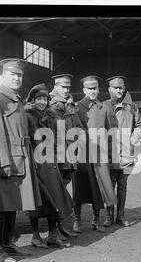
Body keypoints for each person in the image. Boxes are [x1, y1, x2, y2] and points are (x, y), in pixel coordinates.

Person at [0, 58, 42, 262]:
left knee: (13, 206)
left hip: (20, 159)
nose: (17, 78)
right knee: (2, 208)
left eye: (19, 75)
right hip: (8, 162)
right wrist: (3, 163)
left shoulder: (15, 99)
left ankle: (7, 244)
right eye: (12, 75)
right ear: (3, 76)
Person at [25, 83, 74, 248]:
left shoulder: (51, 116)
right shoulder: (27, 117)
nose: (42, 102)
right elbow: (26, 142)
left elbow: (56, 141)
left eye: (45, 99)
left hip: (51, 164)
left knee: (56, 198)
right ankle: (35, 235)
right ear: (32, 100)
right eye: (39, 99)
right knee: (36, 202)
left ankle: (53, 234)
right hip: (36, 165)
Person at [73, 75, 117, 232]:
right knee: (79, 187)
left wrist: (110, 154)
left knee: (98, 187)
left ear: (99, 89)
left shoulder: (104, 108)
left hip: (100, 154)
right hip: (82, 154)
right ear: (84, 90)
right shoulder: (76, 107)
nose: (92, 91)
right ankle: (77, 220)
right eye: (89, 89)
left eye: (95, 88)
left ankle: (96, 219)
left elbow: (110, 132)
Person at [103, 76, 141, 227]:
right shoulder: (104, 106)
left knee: (123, 185)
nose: (118, 90)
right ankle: (109, 216)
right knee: (110, 184)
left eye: (121, 88)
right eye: (115, 88)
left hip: (126, 152)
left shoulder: (132, 107)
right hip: (110, 152)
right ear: (109, 89)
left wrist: (135, 136)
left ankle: (121, 216)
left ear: (124, 88)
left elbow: (139, 124)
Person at [49, 74, 82, 238]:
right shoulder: (48, 104)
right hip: (56, 157)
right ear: (55, 87)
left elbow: (79, 126)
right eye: (63, 87)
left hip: (70, 157)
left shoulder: (71, 105)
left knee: (62, 192)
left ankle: (59, 226)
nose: (66, 90)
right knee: (55, 193)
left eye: (68, 87)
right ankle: (52, 231)